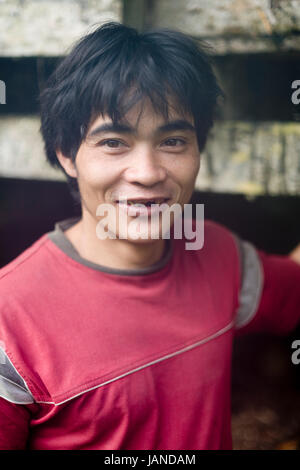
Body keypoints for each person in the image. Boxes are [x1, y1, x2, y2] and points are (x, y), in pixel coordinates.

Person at [0, 21, 299, 451]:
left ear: (199, 150)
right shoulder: (10, 321)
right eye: (114, 142)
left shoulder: (221, 256)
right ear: (67, 154)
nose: (148, 173)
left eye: (173, 140)